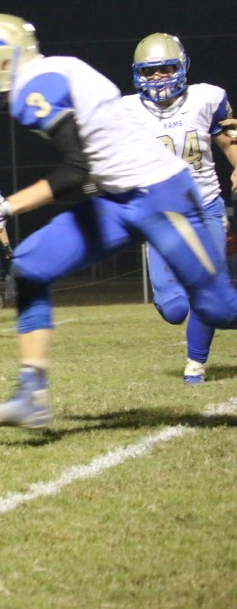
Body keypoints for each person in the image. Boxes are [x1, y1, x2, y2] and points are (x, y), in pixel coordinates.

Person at [0, 13, 237, 429]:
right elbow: (92, 165)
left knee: (219, 308)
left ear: (3, 60)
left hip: (162, 196)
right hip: (117, 199)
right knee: (31, 265)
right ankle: (31, 395)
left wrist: (6, 206)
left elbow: (75, 169)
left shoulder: (36, 86)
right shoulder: (55, 70)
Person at [119, 33, 237, 383]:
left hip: (205, 208)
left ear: (181, 67)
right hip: (160, 215)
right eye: (149, 71)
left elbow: (229, 141)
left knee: (205, 291)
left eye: (165, 69)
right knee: (173, 309)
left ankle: (195, 365)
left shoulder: (207, 98)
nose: (157, 77)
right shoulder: (126, 110)